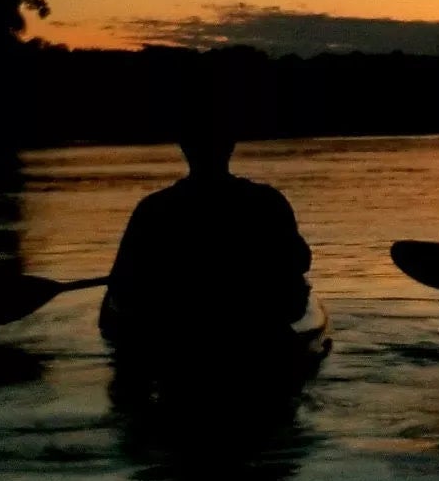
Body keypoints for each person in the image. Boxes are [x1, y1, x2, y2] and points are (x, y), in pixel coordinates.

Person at [104, 116, 314, 352]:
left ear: (184, 148)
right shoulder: (268, 201)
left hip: (179, 331)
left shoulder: (153, 209)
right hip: (257, 326)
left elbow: (121, 285)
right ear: (231, 145)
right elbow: (301, 262)